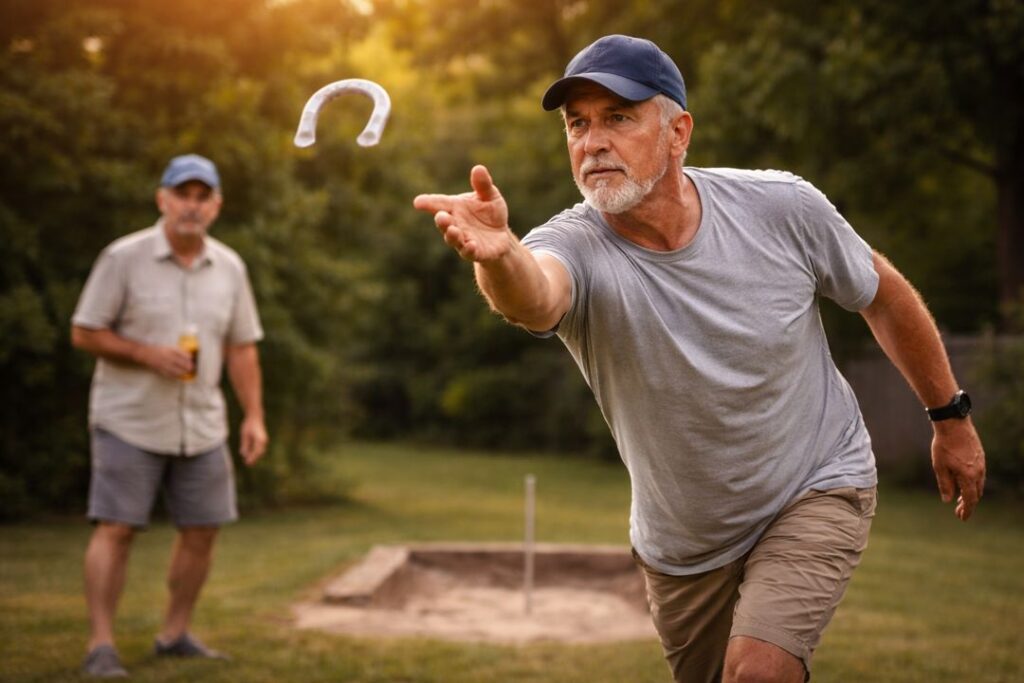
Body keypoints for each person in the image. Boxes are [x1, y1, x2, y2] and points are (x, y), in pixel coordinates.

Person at [414, 34, 985, 683]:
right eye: (578, 123)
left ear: (678, 131)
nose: (592, 140)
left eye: (618, 117)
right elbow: (536, 296)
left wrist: (950, 415)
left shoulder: (781, 208)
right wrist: (500, 255)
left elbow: (882, 295)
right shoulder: (573, 242)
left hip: (815, 480)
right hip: (683, 547)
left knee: (759, 674)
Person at [71, 154, 267, 678]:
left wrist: (254, 417)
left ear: (216, 206)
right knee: (116, 528)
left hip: (202, 423)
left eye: (203, 197)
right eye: (184, 194)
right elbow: (85, 330)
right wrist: (146, 354)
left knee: (203, 529)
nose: (192, 206)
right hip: (129, 419)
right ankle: (101, 645)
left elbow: (242, 347)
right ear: (163, 199)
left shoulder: (230, 266)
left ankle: (175, 634)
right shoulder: (123, 258)